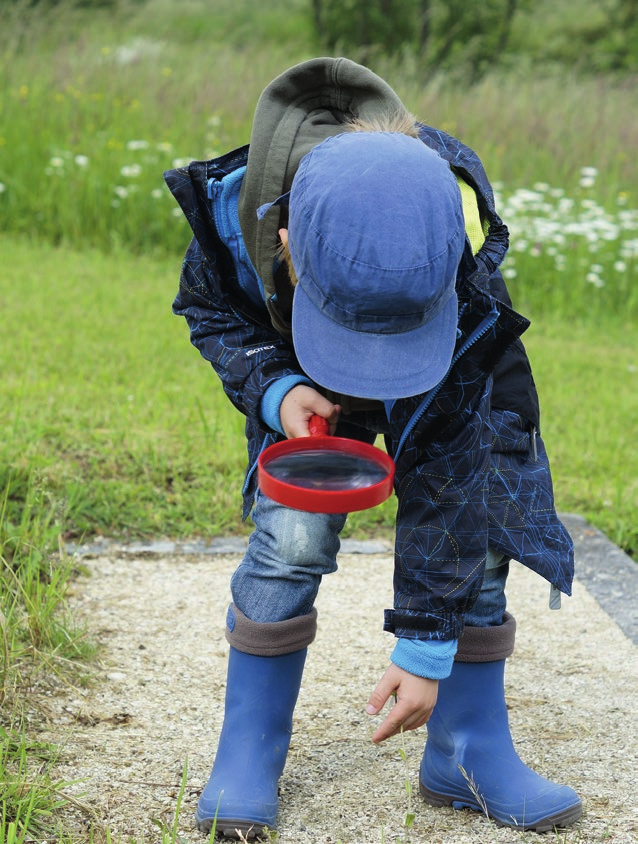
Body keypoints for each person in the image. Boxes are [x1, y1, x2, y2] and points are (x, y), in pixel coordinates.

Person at [164, 57, 582, 839]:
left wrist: (427, 645)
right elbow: (208, 314)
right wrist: (274, 388)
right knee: (291, 533)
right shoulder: (233, 219)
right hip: (304, 376)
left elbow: (451, 481)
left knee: (483, 527)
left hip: (442, 355)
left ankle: (465, 751)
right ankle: (248, 751)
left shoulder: (447, 241)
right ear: (284, 239)